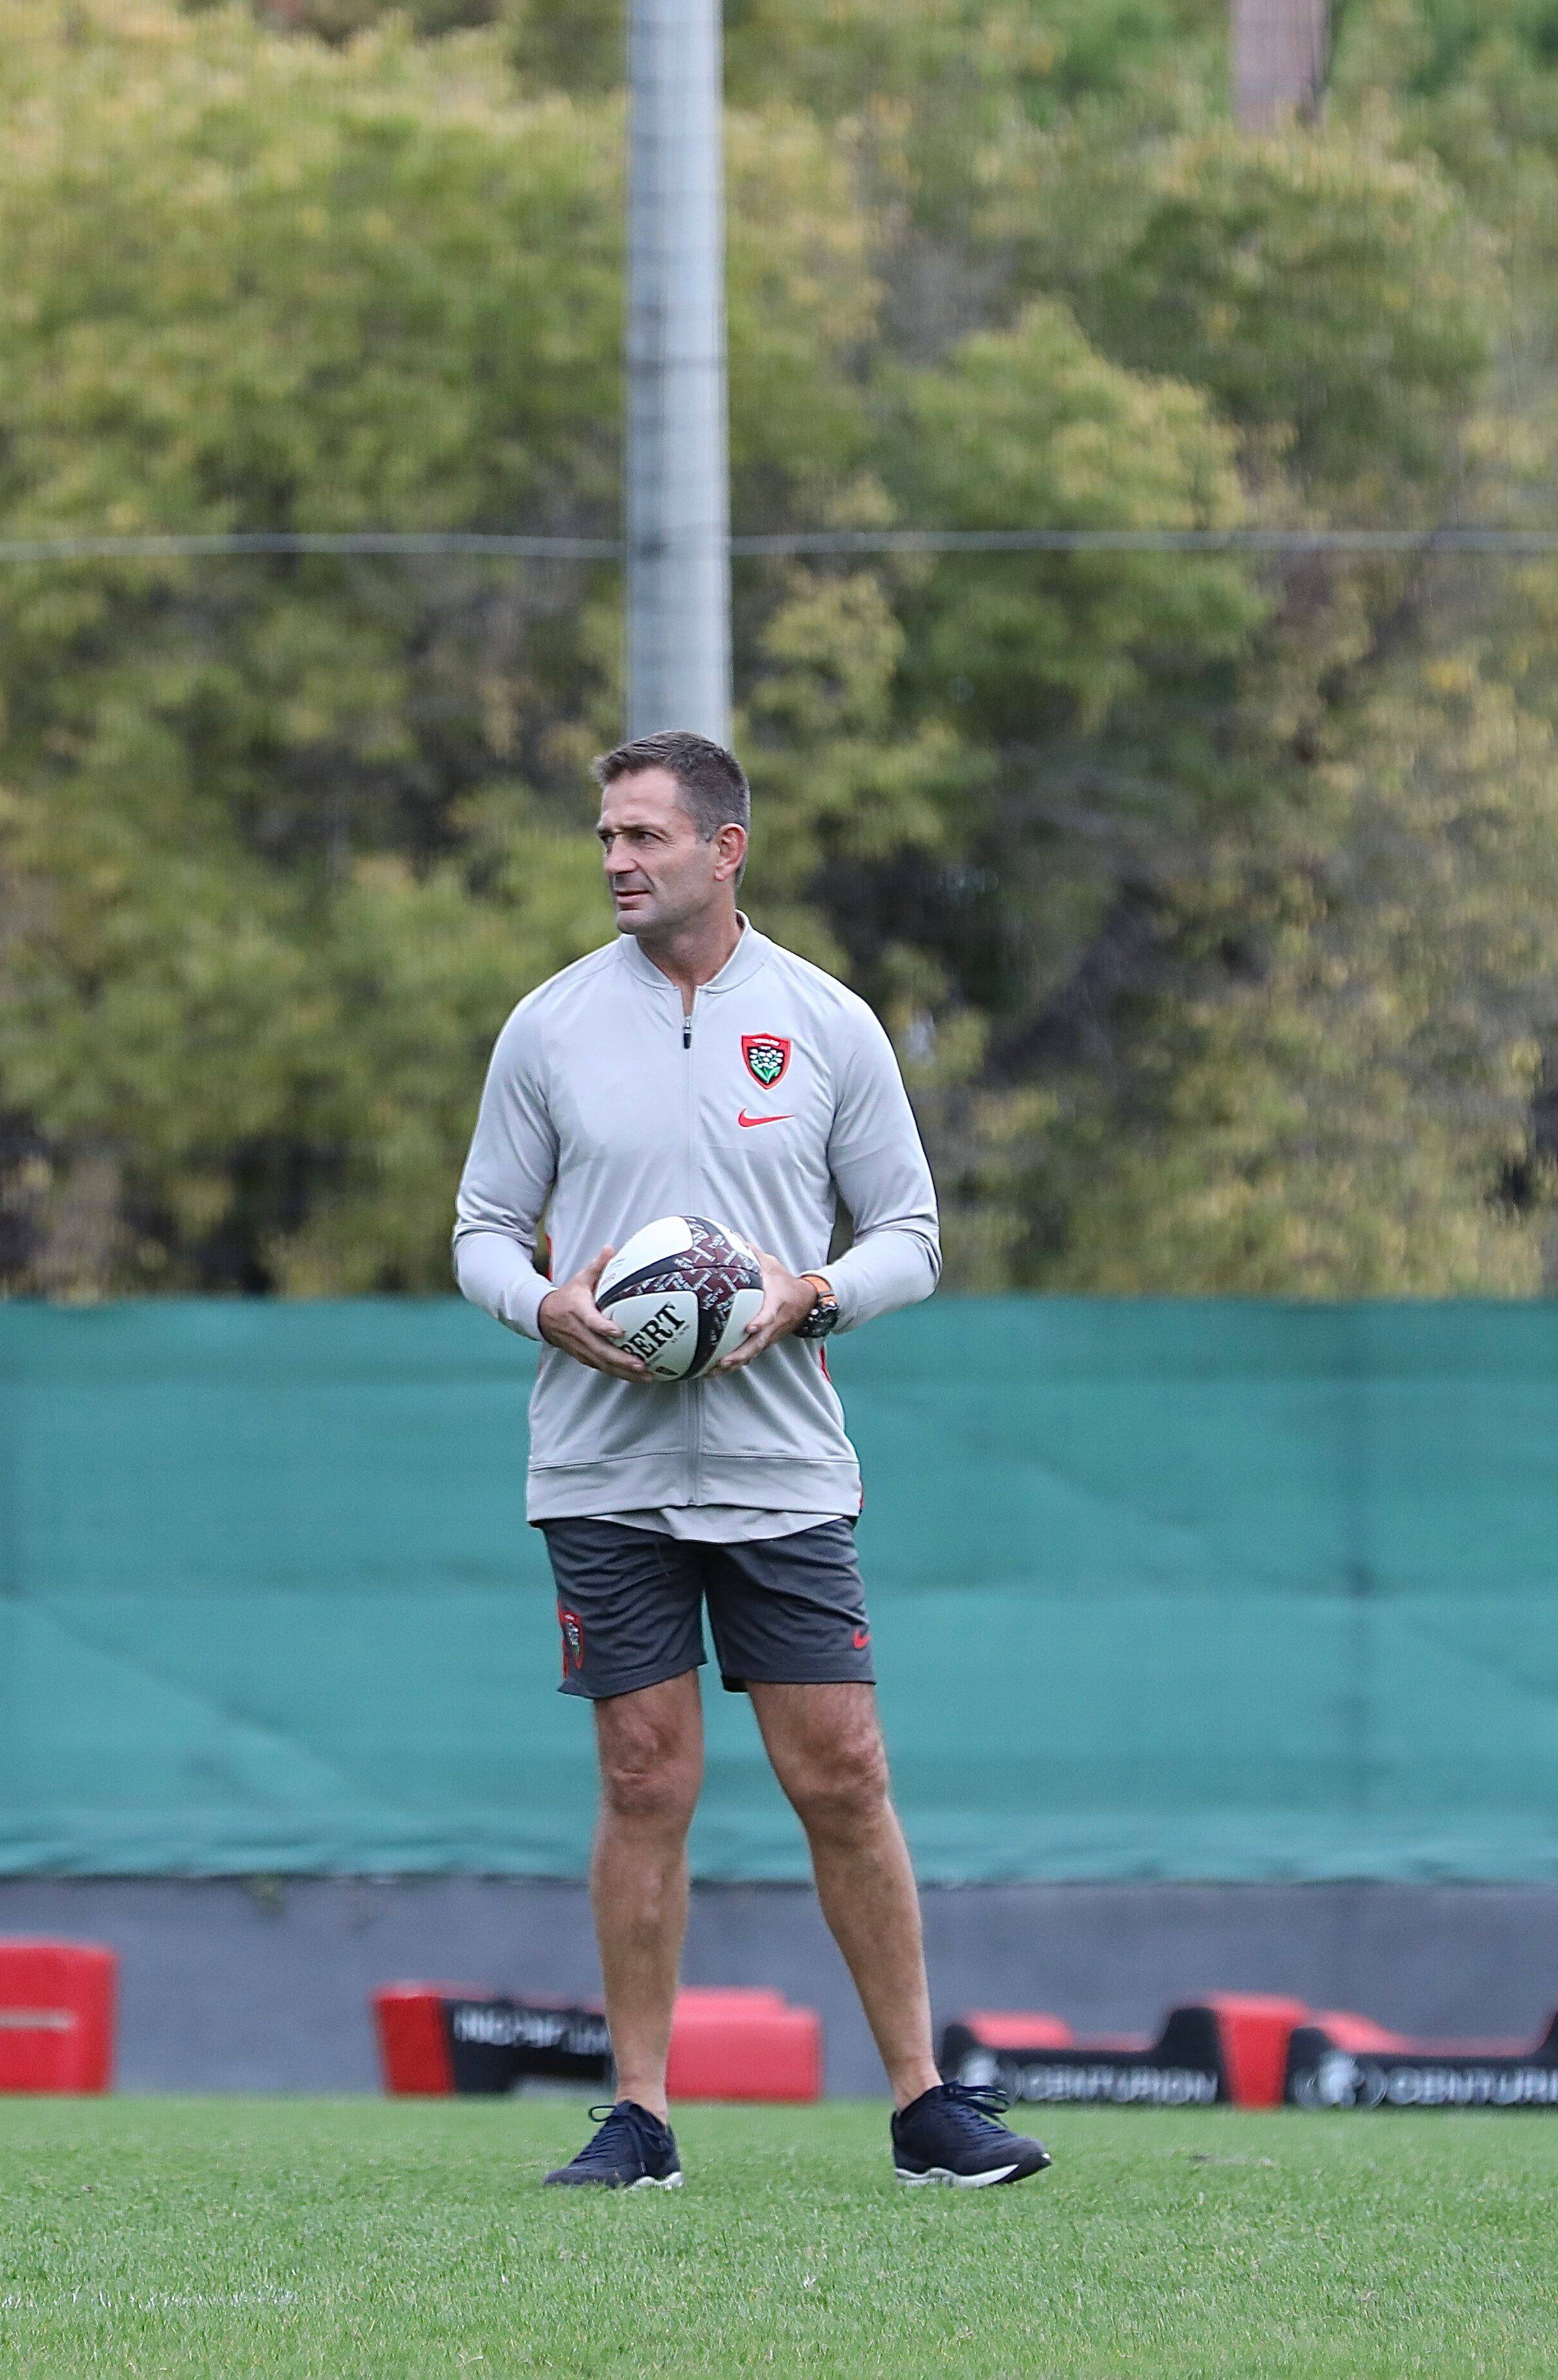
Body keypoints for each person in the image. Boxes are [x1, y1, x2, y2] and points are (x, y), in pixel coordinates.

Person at [452, 730, 1049, 2193]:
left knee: (841, 1772)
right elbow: (477, 1230)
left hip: (784, 1470)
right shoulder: (546, 1027)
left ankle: (921, 2105)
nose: (614, 861)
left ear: (724, 849)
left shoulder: (827, 1022)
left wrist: (806, 1296)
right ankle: (640, 2117)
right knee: (645, 1777)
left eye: (643, 836)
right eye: (603, 836)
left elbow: (908, 1237)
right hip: (601, 1468)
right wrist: (545, 1305)